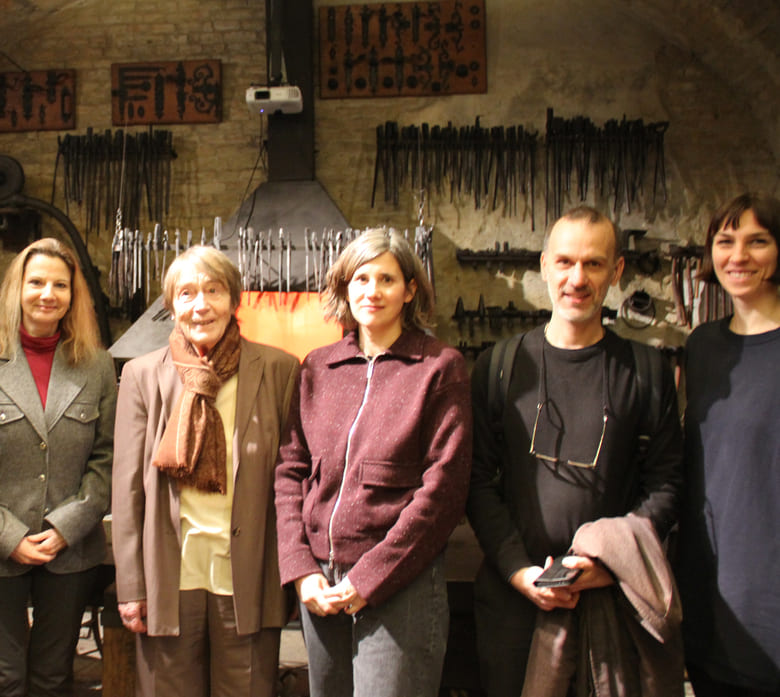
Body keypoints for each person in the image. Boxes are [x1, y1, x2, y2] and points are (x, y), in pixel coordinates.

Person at [466, 206, 684, 697]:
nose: (577, 279)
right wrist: (519, 570)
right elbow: (476, 481)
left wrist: (610, 566)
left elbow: (667, 484)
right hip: (513, 605)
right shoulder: (499, 368)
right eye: (564, 262)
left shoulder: (646, 372)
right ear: (544, 266)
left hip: (611, 604)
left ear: (618, 271)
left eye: (593, 264)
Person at [273, 228, 473, 697]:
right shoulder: (317, 368)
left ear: (410, 289)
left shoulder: (439, 367)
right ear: (344, 288)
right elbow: (289, 472)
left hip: (401, 582)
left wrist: (370, 576)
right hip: (321, 584)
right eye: (360, 278)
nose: (372, 291)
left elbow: (444, 490)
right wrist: (301, 570)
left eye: (386, 279)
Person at [111, 245, 300, 697]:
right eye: (187, 293)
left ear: (234, 298)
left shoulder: (279, 370)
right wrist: (131, 586)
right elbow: (127, 491)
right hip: (168, 577)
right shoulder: (142, 376)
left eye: (213, 290)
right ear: (171, 305)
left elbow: (294, 481)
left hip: (250, 576)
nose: (201, 305)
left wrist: (291, 575)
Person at [0, 237, 116, 697]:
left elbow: (106, 456)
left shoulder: (97, 366)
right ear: (16, 289)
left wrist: (67, 526)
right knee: (1, 679)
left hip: (71, 550)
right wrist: (8, 536)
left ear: (73, 295)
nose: (48, 293)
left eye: (60, 285)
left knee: (53, 676)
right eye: (36, 281)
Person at [679, 193, 780, 697]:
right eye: (726, 241)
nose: (738, 255)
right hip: (711, 591)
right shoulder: (702, 346)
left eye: (757, 241)